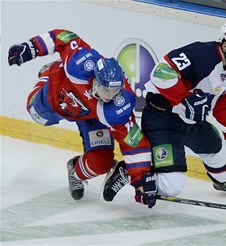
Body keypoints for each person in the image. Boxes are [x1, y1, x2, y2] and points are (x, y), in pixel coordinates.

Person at [103, 20, 226, 208]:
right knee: (171, 187)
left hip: (193, 122)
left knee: (217, 150)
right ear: (225, 45)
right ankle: (128, 172)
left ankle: (223, 182)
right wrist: (184, 99)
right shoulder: (201, 54)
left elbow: (225, 105)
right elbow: (160, 72)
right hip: (163, 119)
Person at [7, 29, 153, 204]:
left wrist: (140, 182)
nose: (109, 96)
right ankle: (47, 75)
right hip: (57, 100)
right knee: (35, 113)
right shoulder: (81, 64)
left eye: (115, 91)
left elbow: (134, 143)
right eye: (106, 90)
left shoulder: (118, 106)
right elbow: (62, 37)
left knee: (101, 162)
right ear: (95, 81)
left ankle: (74, 170)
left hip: (92, 118)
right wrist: (31, 48)